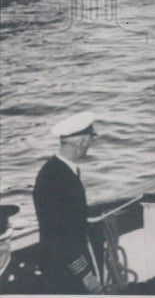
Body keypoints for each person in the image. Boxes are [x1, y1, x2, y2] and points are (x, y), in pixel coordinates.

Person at [33, 112, 101, 294]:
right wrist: (86, 274)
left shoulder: (57, 170)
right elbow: (60, 234)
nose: (89, 146)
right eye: (89, 140)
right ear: (83, 141)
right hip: (64, 271)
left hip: (62, 263)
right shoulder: (58, 177)